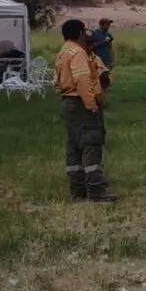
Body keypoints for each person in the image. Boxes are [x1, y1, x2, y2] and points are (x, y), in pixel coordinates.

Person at [55, 19, 116, 203]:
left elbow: (57, 81)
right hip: (80, 102)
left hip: (68, 102)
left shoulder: (63, 52)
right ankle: (96, 191)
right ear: (80, 33)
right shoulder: (78, 53)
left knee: (74, 146)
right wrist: (91, 104)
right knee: (91, 144)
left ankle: (77, 190)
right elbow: (82, 80)